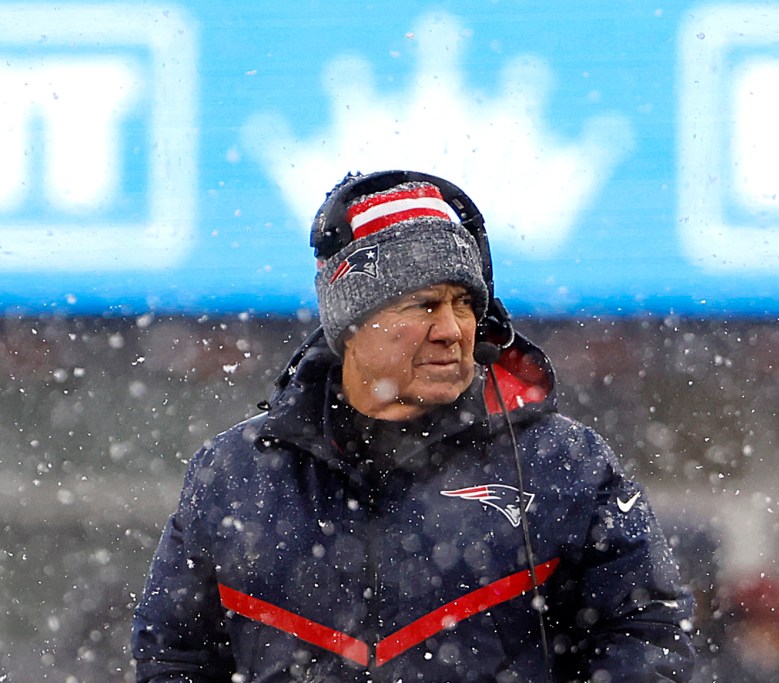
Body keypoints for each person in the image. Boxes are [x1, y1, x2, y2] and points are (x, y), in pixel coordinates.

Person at [131, 170, 695, 681]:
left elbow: (647, 636)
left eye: (464, 304)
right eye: (424, 305)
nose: (452, 330)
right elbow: (173, 657)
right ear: (353, 324)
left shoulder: (565, 462)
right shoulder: (234, 473)